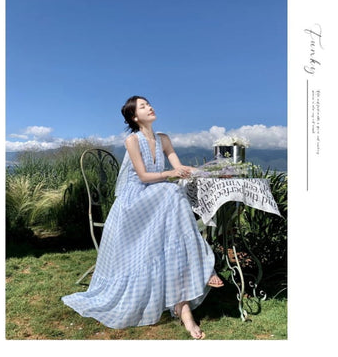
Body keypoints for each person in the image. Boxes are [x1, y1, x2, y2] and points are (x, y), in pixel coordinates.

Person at [62, 96, 223, 339]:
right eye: (143, 106)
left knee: (173, 201)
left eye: (149, 104)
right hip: (133, 202)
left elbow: (180, 168)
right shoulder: (132, 140)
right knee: (172, 192)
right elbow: (144, 177)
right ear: (135, 117)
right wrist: (171, 173)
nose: (150, 107)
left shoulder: (164, 139)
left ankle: (183, 307)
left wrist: (209, 172)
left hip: (158, 199)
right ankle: (204, 265)